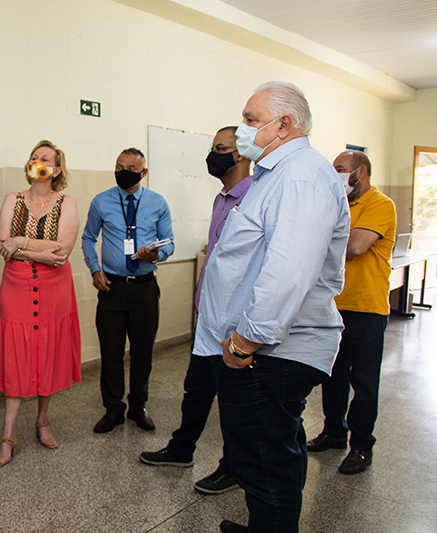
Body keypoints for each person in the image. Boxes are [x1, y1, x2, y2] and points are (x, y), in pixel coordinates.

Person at [199, 82, 350, 533]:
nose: (243, 129)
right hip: (261, 350)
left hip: (270, 353)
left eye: (250, 119)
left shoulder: (301, 176)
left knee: (267, 463)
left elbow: (289, 270)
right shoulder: (277, 174)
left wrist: (245, 342)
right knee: (263, 452)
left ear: (284, 124)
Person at [140, 127, 251, 496]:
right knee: (197, 387)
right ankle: (181, 448)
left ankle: (233, 466)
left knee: (233, 397)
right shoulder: (223, 198)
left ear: (241, 155)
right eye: (212, 147)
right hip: (210, 312)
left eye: (221, 148)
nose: (213, 155)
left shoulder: (253, 197)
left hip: (235, 316)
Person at [0, 140, 81, 468]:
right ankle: (8, 434)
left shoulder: (66, 201)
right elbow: (2, 244)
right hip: (15, 285)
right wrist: (39, 253)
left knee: (48, 350)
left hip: (55, 289)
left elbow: (64, 248)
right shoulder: (12, 200)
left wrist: (22, 243)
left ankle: (42, 420)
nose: (36, 162)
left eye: (44, 159)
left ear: (56, 170)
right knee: (16, 353)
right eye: (33, 157)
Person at [307, 150, 396, 475]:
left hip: (366, 309)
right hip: (332, 305)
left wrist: (318, 244)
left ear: (361, 172)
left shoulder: (380, 204)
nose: (337, 175)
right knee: (332, 377)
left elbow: (357, 246)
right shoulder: (338, 205)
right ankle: (333, 432)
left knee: (363, 381)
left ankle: (361, 446)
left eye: (341, 169)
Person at [81, 148, 174, 434]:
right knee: (111, 352)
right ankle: (113, 409)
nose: (123, 171)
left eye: (130, 168)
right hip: (112, 287)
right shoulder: (101, 201)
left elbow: (169, 243)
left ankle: (138, 406)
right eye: (119, 166)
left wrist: (156, 255)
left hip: (145, 289)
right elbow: (87, 238)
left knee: (143, 351)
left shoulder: (158, 203)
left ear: (142, 172)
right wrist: (95, 270)